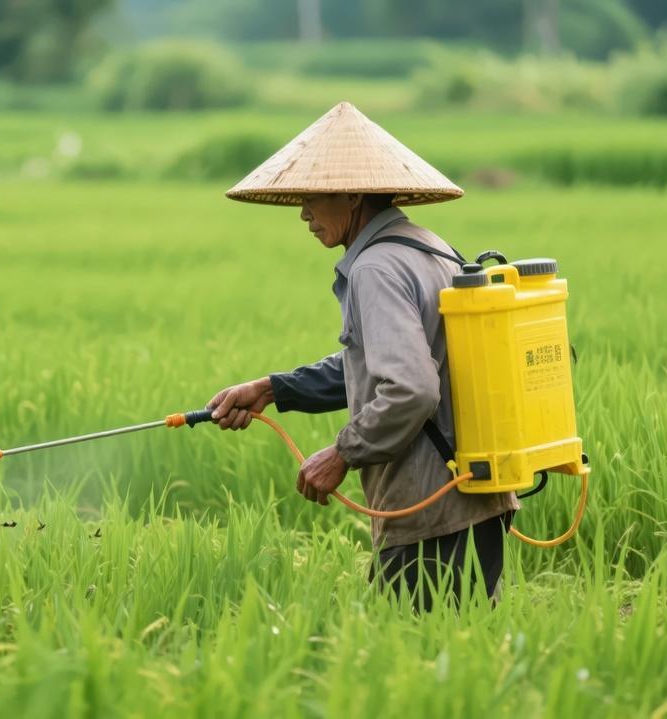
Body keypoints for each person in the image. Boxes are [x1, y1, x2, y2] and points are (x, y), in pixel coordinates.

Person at [207, 102, 518, 610]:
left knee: (410, 665)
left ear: (352, 193)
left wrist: (343, 453)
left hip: (429, 505)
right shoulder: (428, 246)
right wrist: (272, 389)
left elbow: (412, 387)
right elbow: (388, 363)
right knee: (466, 655)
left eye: (312, 196)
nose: (303, 212)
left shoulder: (375, 267)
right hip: (475, 495)